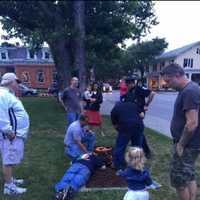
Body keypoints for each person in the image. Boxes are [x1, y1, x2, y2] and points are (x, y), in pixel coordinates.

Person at [161, 63, 200, 200]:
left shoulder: (189, 91)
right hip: (190, 144)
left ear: (177, 75)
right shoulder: (188, 89)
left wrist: (181, 144)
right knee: (189, 175)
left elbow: (192, 123)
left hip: (188, 144)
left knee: (179, 180)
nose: (167, 84)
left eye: (168, 81)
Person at [0, 73, 30, 195]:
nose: (18, 84)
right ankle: (9, 187)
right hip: (11, 135)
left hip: (14, 134)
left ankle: (10, 179)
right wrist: (8, 131)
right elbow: (1, 114)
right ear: (10, 82)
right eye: (16, 82)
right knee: (9, 159)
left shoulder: (7, 94)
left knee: (11, 158)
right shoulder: (2, 95)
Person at [123, 76, 155, 158]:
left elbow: (152, 93)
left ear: (131, 83)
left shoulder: (139, 89)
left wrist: (146, 105)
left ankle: (144, 151)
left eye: (127, 84)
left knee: (138, 131)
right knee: (139, 132)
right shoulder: (129, 91)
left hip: (139, 113)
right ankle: (145, 150)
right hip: (132, 113)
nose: (126, 86)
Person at [111, 98, 144, 170]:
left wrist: (121, 132)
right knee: (137, 147)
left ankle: (119, 166)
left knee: (120, 147)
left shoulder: (114, 110)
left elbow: (115, 126)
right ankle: (136, 166)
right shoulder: (132, 105)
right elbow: (142, 115)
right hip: (138, 126)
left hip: (125, 127)